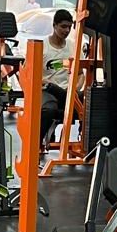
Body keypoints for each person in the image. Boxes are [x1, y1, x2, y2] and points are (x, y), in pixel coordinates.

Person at [41, 9, 77, 143]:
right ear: (54, 25)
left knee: (90, 107)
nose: (66, 30)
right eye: (63, 26)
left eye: (69, 27)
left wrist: (76, 87)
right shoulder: (43, 47)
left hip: (67, 91)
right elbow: (32, 75)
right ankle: (37, 143)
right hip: (48, 90)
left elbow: (80, 75)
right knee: (49, 110)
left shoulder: (73, 47)